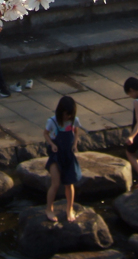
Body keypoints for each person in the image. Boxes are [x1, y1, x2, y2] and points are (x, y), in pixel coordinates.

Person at [44, 95, 82, 223]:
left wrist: (75, 144)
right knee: (55, 184)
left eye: (70, 115)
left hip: (68, 155)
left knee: (69, 184)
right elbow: (45, 133)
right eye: (66, 115)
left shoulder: (74, 121)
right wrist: (52, 144)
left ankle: (69, 208)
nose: (67, 118)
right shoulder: (52, 121)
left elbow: (76, 132)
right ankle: (49, 208)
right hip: (56, 156)